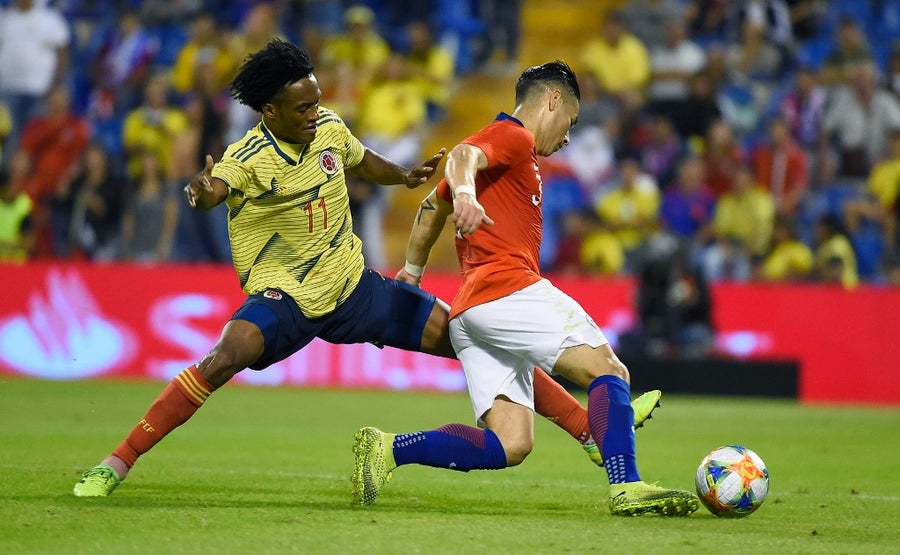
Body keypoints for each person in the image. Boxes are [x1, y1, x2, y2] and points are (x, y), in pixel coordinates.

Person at [73, 40, 656, 498]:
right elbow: (214, 189)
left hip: (354, 288)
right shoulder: (247, 158)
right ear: (270, 111)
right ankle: (117, 461)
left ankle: (587, 431)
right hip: (285, 297)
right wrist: (201, 191)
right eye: (302, 107)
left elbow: (359, 159)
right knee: (227, 355)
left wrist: (400, 175)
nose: (315, 113)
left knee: (468, 333)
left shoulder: (327, 127)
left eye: (316, 100)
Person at [351, 61, 698, 516]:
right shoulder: (513, 137)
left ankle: (388, 449)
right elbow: (461, 155)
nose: (569, 136)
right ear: (552, 100)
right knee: (608, 369)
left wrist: (412, 272)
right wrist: (466, 195)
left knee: (510, 441)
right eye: (571, 120)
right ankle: (625, 484)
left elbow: (429, 207)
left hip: (470, 314)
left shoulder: (510, 157)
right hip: (506, 288)